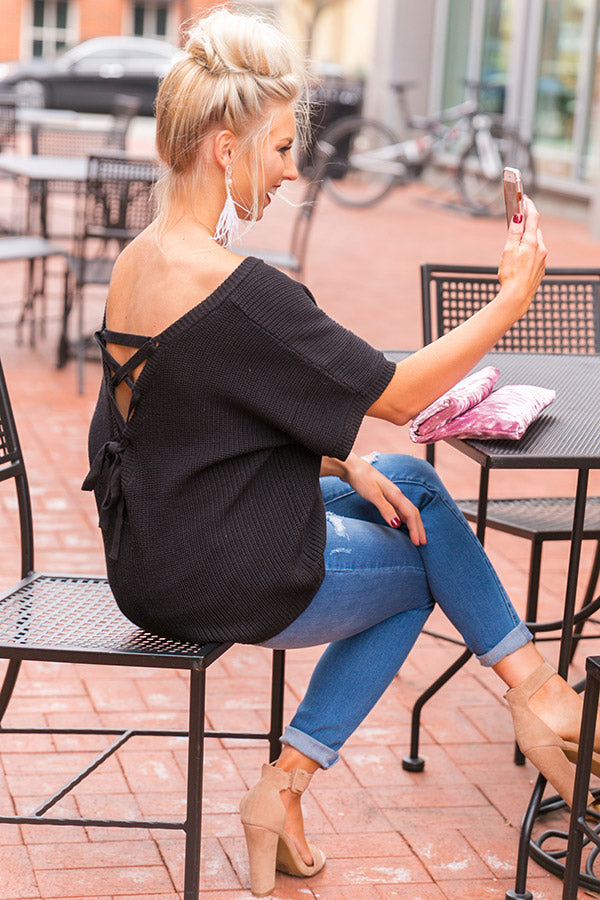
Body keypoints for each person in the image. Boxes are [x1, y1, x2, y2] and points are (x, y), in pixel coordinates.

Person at [82, 7, 598, 897]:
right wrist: (512, 298)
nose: (292, 170)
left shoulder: (141, 259)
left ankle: (533, 691)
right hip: (212, 572)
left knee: (403, 483)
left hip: (153, 546)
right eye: (281, 148)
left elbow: (187, 423)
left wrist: (345, 462)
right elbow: (397, 396)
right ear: (225, 149)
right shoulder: (242, 292)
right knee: (425, 563)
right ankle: (522, 702)